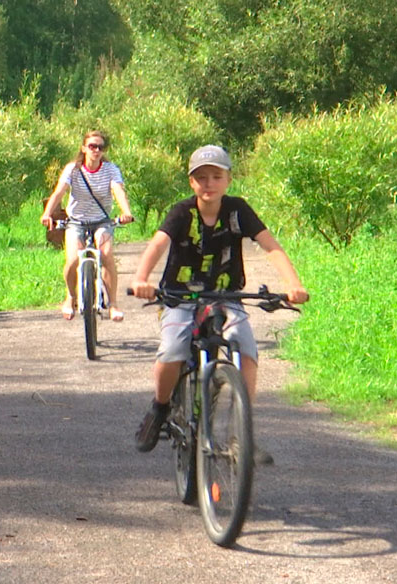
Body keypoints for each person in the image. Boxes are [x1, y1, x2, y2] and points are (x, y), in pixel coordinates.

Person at [129, 144, 309, 464]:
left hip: (227, 296)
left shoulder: (238, 210)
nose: (208, 183)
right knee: (173, 348)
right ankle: (159, 407)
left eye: (216, 176)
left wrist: (293, 286)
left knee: (245, 345)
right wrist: (142, 279)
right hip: (180, 296)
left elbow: (271, 247)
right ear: (191, 182)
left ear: (228, 180)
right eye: (201, 177)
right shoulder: (182, 212)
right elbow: (158, 244)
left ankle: (244, 435)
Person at [41, 130, 135, 322]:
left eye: (100, 147)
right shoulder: (73, 169)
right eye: (92, 146)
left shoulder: (110, 169)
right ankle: (70, 297)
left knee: (107, 254)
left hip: (101, 221)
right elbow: (59, 192)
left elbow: (118, 190)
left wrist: (126, 212)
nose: (96, 150)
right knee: (73, 260)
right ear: (84, 148)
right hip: (76, 222)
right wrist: (47, 213)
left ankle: (113, 304)